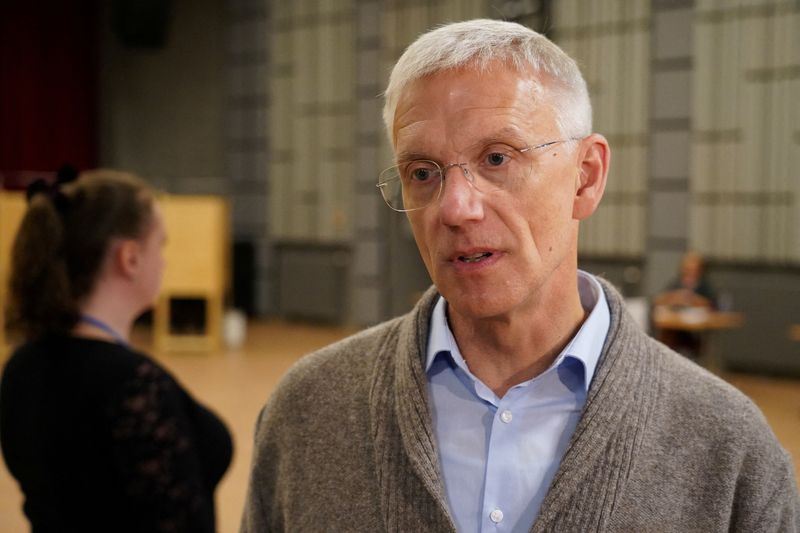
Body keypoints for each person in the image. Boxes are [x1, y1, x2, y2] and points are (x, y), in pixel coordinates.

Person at [241, 19, 798, 532]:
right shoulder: (308, 412)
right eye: (422, 172)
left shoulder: (729, 450)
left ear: (586, 177)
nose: (455, 208)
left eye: (497, 159)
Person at [0, 173, 232, 532]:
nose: (165, 262)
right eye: (161, 245)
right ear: (131, 258)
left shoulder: (21, 366)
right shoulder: (133, 385)